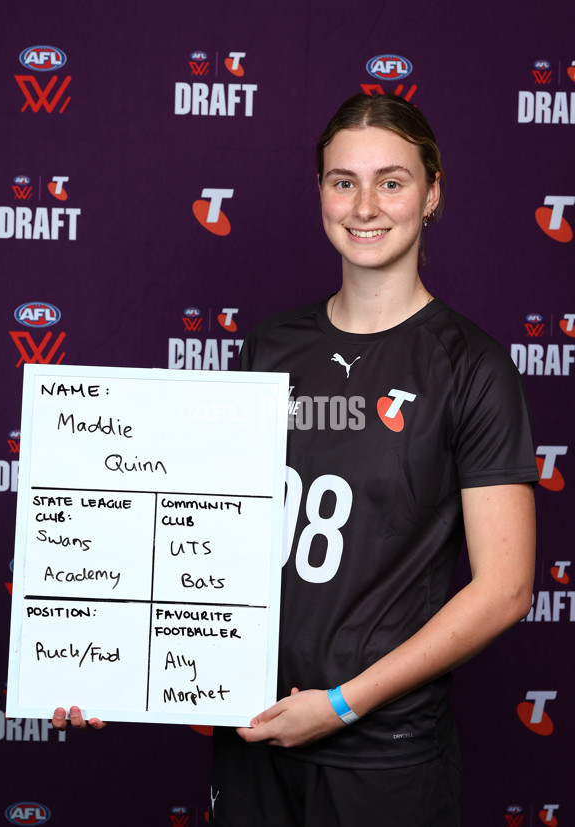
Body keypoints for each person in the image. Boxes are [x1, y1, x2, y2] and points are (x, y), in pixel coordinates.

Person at [54, 94, 538, 827]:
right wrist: (99, 659)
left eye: (392, 180)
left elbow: (505, 588)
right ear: (320, 192)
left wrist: (342, 703)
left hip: (385, 753)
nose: (365, 204)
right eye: (343, 180)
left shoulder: (471, 366)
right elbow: (197, 530)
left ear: (432, 192)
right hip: (256, 729)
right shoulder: (268, 350)